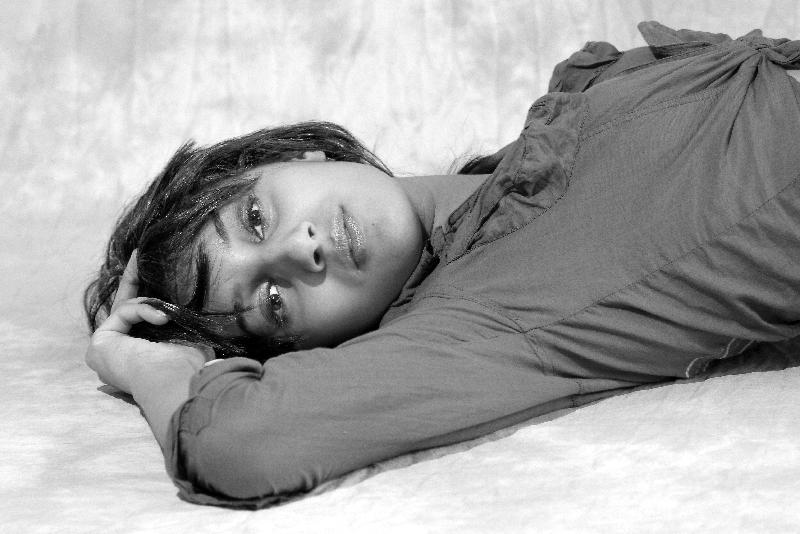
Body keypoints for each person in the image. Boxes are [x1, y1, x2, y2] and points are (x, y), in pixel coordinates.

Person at [84, 21, 800, 508]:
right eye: (273, 301)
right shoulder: (482, 316)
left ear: (294, 155)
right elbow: (243, 441)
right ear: (314, 349)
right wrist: (153, 365)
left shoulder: (553, 134)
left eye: (256, 218)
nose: (301, 250)